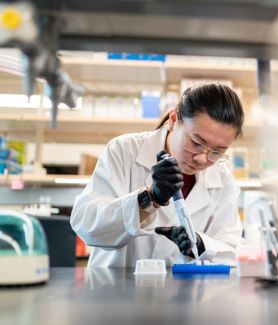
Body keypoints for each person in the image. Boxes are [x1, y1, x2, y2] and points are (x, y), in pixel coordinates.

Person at [70, 83, 245, 267]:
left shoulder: (224, 181)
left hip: (182, 292)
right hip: (115, 286)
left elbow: (232, 251)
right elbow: (86, 225)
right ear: (173, 119)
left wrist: (201, 245)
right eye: (196, 143)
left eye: (217, 152)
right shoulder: (123, 150)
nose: (202, 159)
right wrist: (149, 198)